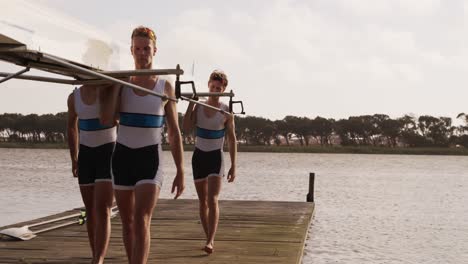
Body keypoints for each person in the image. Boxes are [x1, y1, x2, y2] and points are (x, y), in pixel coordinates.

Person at [111, 26, 185, 264]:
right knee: (128, 221)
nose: (142, 54)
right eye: (137, 49)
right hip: (122, 157)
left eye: (146, 49)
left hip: (149, 159)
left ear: (155, 50)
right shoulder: (121, 83)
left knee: (142, 218)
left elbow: (174, 132)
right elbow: (107, 117)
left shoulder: (164, 86)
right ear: (131, 50)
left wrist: (181, 170)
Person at [182, 70, 237, 254]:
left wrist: (233, 166)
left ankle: (211, 240)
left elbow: (232, 139)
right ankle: (208, 236)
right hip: (199, 156)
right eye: (212, 87)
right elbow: (186, 129)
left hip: (215, 157)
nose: (215, 90)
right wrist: (191, 104)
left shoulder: (226, 111)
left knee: (213, 199)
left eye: (218, 88)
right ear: (208, 85)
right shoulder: (198, 106)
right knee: (203, 201)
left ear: (223, 90)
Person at [67, 84, 116, 264]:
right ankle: (95, 253)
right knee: (90, 210)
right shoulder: (74, 97)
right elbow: (71, 127)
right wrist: (74, 158)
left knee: (103, 209)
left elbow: (117, 118)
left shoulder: (107, 89)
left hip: (108, 152)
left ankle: (99, 259)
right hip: (86, 155)